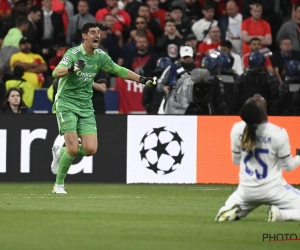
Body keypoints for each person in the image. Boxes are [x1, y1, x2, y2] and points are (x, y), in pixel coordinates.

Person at [51, 22, 156, 194]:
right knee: (72, 148)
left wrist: (142, 79)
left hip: (85, 106)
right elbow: (56, 72)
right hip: (66, 103)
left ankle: (58, 151)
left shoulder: (100, 55)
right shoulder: (73, 53)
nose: (97, 35)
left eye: (98, 32)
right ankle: (59, 185)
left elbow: (119, 70)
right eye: (93, 32)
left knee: (91, 149)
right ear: (84, 36)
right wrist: (72, 68)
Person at [215, 94, 300, 222]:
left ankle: (230, 211)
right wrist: (299, 157)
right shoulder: (278, 133)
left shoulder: (237, 129)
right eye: (255, 99)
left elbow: (236, 161)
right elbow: (288, 167)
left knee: (223, 212)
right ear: (263, 111)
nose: (256, 95)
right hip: (274, 190)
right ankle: (281, 215)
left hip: (246, 192)